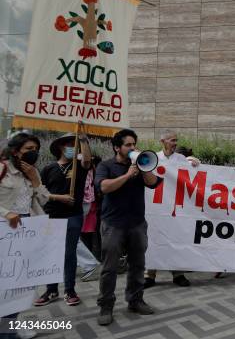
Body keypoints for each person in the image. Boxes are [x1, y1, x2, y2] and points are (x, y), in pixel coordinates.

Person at [94, 129, 162, 326]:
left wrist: (143, 166)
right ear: (117, 147)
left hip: (137, 224)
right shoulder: (106, 165)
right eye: (128, 145)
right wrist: (127, 175)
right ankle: (106, 306)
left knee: (138, 264)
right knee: (109, 268)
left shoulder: (139, 165)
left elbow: (154, 183)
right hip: (113, 224)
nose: (133, 148)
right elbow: (104, 187)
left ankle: (135, 300)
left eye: (134, 144)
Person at [0, 133, 48, 339]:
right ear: (15, 151)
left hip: (27, 231)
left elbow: (44, 200)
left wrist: (36, 180)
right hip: (5, 232)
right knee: (5, 285)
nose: (33, 153)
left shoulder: (32, 173)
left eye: (36, 149)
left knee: (21, 284)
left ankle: (10, 325)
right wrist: (5, 213)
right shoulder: (2, 169)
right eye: (28, 149)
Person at [35, 132, 91, 307]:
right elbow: (40, 192)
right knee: (51, 253)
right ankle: (51, 289)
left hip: (73, 215)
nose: (73, 148)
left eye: (76, 144)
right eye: (70, 144)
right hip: (51, 216)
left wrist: (83, 140)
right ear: (60, 147)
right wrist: (59, 197)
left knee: (69, 253)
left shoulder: (80, 167)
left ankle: (70, 290)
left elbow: (87, 160)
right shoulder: (48, 168)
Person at [144, 130, 200, 289]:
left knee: (175, 237)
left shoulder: (181, 159)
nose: (175, 143)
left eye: (176, 140)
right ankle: (149, 274)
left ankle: (178, 273)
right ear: (163, 141)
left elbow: (194, 173)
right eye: (172, 140)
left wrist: (196, 162)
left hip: (175, 207)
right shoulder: (154, 158)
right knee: (153, 237)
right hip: (155, 206)